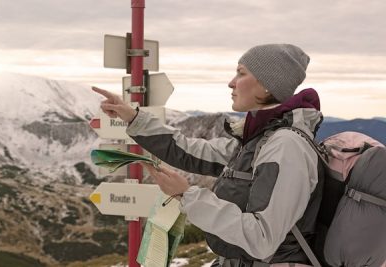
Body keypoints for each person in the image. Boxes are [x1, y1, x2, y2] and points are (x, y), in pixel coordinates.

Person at [92, 44, 324, 266]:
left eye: (241, 74)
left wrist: (187, 195)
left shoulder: (285, 146)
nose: (231, 83)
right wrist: (134, 118)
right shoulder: (258, 139)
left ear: (266, 85)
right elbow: (187, 150)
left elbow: (262, 238)